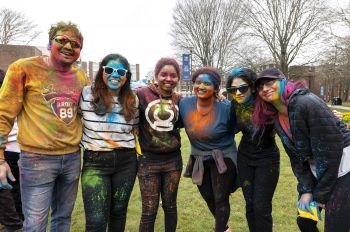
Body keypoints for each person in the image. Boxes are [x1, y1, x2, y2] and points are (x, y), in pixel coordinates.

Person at [0, 21, 89, 231]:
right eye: (62, 40)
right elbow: (3, 115)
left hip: (72, 158)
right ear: (50, 44)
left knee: (63, 219)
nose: (69, 47)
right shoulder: (24, 68)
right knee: (36, 224)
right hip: (37, 159)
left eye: (75, 44)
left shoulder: (80, 76)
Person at [252, 68, 350, 232]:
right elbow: (296, 158)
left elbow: (331, 151)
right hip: (319, 168)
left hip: (343, 166)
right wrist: (306, 190)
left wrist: (319, 196)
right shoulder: (276, 117)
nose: (264, 89)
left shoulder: (306, 102)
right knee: (305, 221)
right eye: (260, 87)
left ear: (283, 82)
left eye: (269, 83)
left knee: (336, 226)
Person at [79, 53, 139, 232]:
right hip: (95, 163)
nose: (115, 75)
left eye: (121, 71)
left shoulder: (132, 99)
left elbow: (134, 127)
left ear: (126, 75)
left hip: (126, 162)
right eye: (110, 69)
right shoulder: (86, 94)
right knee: (96, 220)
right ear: (102, 71)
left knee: (118, 213)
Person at [179, 67, 238, 232]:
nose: (201, 86)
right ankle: (225, 229)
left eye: (207, 83)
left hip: (224, 156)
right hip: (199, 157)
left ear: (216, 88)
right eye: (198, 82)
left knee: (220, 197)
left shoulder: (226, 107)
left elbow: (236, 128)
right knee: (208, 197)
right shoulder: (184, 103)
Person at [226, 68, 279, 232]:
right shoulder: (235, 105)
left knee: (261, 207)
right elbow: (230, 129)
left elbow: (291, 112)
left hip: (267, 159)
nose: (238, 93)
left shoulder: (266, 102)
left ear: (252, 86)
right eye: (233, 90)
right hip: (245, 158)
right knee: (250, 205)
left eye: (243, 88)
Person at [136, 58, 182, 232]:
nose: (168, 79)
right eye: (164, 74)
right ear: (156, 75)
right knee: (149, 210)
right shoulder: (141, 94)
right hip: (148, 161)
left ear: (177, 78)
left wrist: (220, 96)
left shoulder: (179, 99)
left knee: (170, 206)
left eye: (173, 75)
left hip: (173, 161)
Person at [0, 69, 24, 231]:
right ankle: (18, 220)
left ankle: (14, 223)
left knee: (6, 188)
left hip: (10, 149)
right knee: (13, 188)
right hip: (16, 149)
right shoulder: (15, 95)